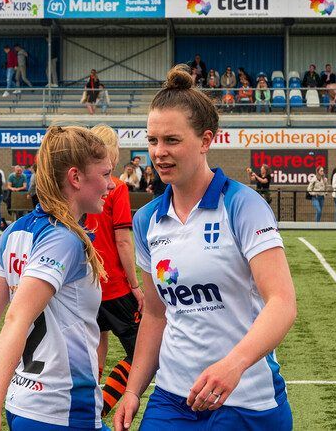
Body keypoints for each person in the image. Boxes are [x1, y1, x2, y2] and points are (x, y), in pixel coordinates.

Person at [114, 66, 296, 431]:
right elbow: (155, 315)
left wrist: (234, 364)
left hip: (247, 399)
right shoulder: (147, 219)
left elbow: (282, 302)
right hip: (172, 400)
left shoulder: (243, 205)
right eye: (152, 141)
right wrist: (134, 390)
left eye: (172, 140)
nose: (159, 153)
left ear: (205, 140)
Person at [0, 126, 114, 431]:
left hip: (22, 403)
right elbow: (15, 317)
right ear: (75, 178)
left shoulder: (14, 232)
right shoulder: (64, 240)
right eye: (106, 173)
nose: (111, 184)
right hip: (62, 409)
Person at [84, 125, 144, 418]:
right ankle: (101, 407)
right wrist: (135, 284)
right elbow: (122, 239)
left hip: (85, 286)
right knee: (142, 352)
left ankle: (85, 403)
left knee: (97, 338)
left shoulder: (81, 185)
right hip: (115, 286)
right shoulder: (116, 187)